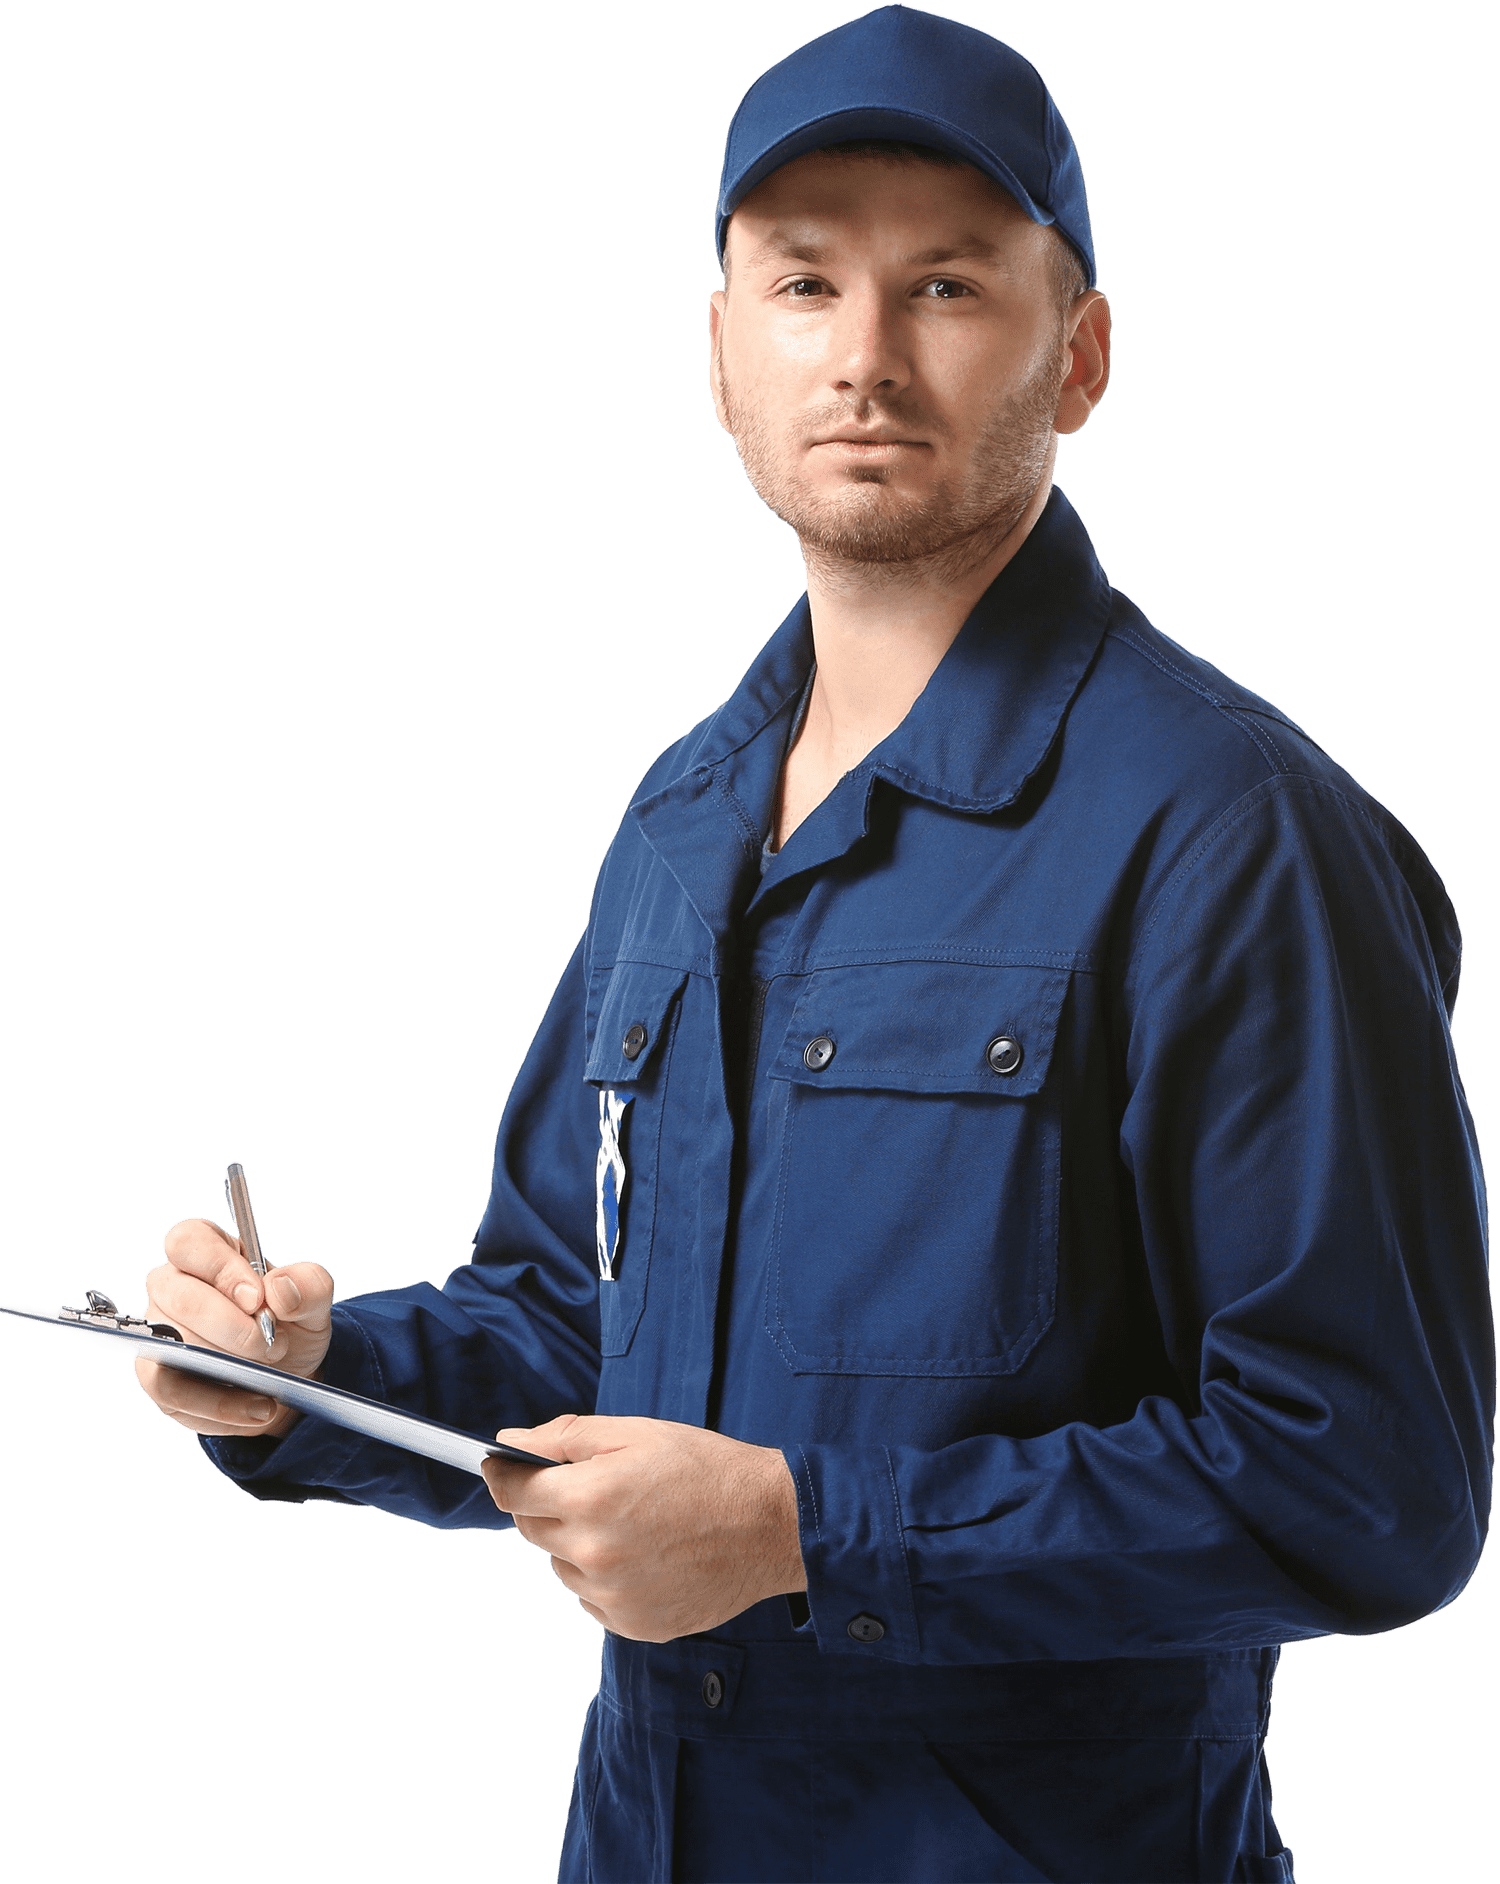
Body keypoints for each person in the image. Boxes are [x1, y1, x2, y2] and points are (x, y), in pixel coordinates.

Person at [132, 7, 1494, 1881]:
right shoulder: (685, 818)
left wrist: (806, 1537)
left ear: (1078, 352)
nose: (862, 357)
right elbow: (567, 1318)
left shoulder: (1234, 831)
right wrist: (301, 1378)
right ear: (718, 356)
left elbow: (1374, 1485)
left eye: (944, 283)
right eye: (799, 283)